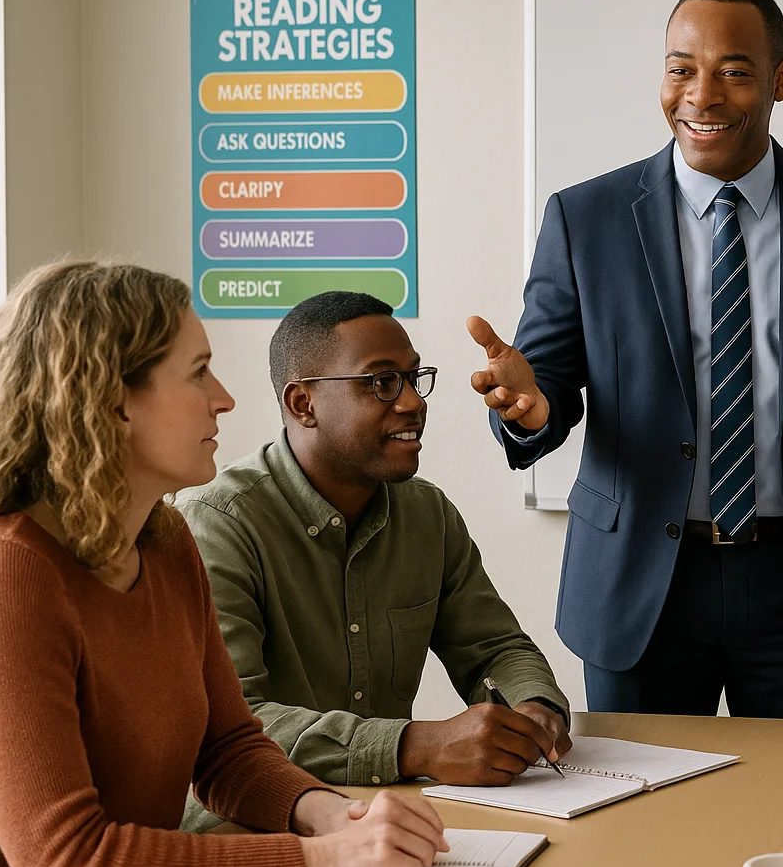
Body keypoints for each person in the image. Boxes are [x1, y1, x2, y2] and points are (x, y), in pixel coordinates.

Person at [467, 0, 783, 719]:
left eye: (734, 71)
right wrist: (529, 409)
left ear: (780, 79)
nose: (702, 95)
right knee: (640, 825)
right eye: (681, 68)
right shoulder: (585, 218)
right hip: (639, 588)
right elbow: (545, 383)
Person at [0, 262, 449, 867]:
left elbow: (228, 750)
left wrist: (329, 814)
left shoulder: (168, 540)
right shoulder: (12, 575)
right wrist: (320, 861)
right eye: (198, 371)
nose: (226, 398)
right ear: (111, 399)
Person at [177, 291, 570, 834]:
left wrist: (534, 709)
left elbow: (494, 648)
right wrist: (415, 746)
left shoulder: (426, 513)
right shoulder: (216, 523)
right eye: (381, 382)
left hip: (392, 824)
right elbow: (233, 725)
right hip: (255, 834)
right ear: (302, 404)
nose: (413, 402)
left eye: (413, 377)